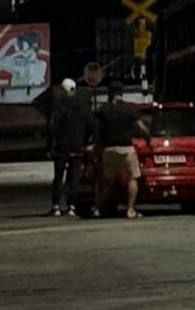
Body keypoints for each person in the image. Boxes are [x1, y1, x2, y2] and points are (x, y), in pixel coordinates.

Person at [95, 81, 151, 219]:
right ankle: (130, 209)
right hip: (127, 148)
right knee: (132, 179)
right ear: (121, 93)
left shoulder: (103, 110)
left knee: (107, 181)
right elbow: (141, 127)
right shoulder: (130, 109)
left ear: (110, 93)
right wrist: (147, 139)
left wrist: (98, 148)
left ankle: (98, 209)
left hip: (110, 148)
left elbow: (98, 131)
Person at [48, 85, 93, 217]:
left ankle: (56, 205)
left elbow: (53, 129)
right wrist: (85, 141)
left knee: (58, 176)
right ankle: (72, 206)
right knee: (74, 177)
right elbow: (90, 125)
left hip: (61, 147)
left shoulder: (59, 107)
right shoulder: (83, 107)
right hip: (77, 146)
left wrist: (50, 146)